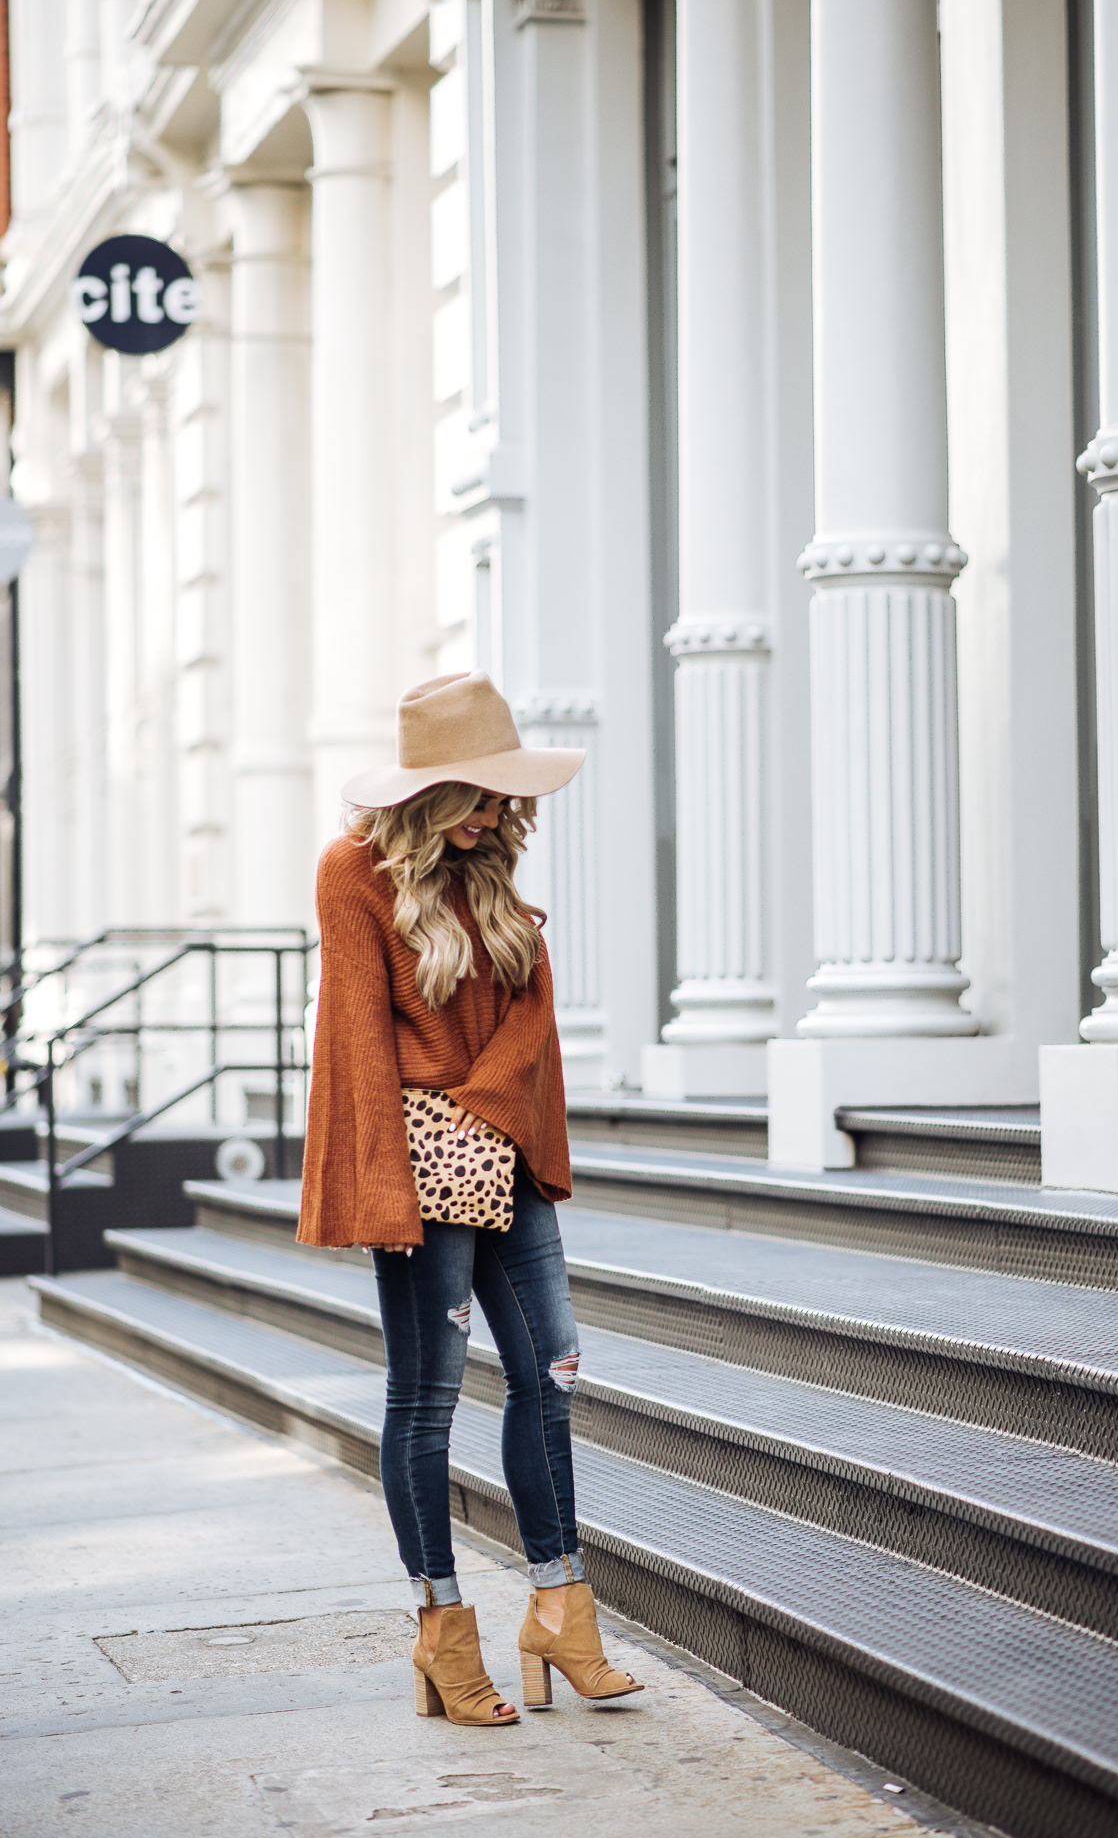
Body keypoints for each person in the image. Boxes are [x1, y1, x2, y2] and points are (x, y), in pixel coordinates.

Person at [299, 672, 643, 1726]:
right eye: (484, 795)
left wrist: (488, 1110)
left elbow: (534, 1009)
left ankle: (560, 1607)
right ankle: (443, 1632)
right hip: (419, 1170)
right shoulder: (353, 873)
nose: (502, 812)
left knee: (554, 1366)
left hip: (503, 1149)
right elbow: (356, 1038)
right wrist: (383, 1191)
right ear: (436, 791)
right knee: (427, 1394)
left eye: (505, 795)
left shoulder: (487, 868)